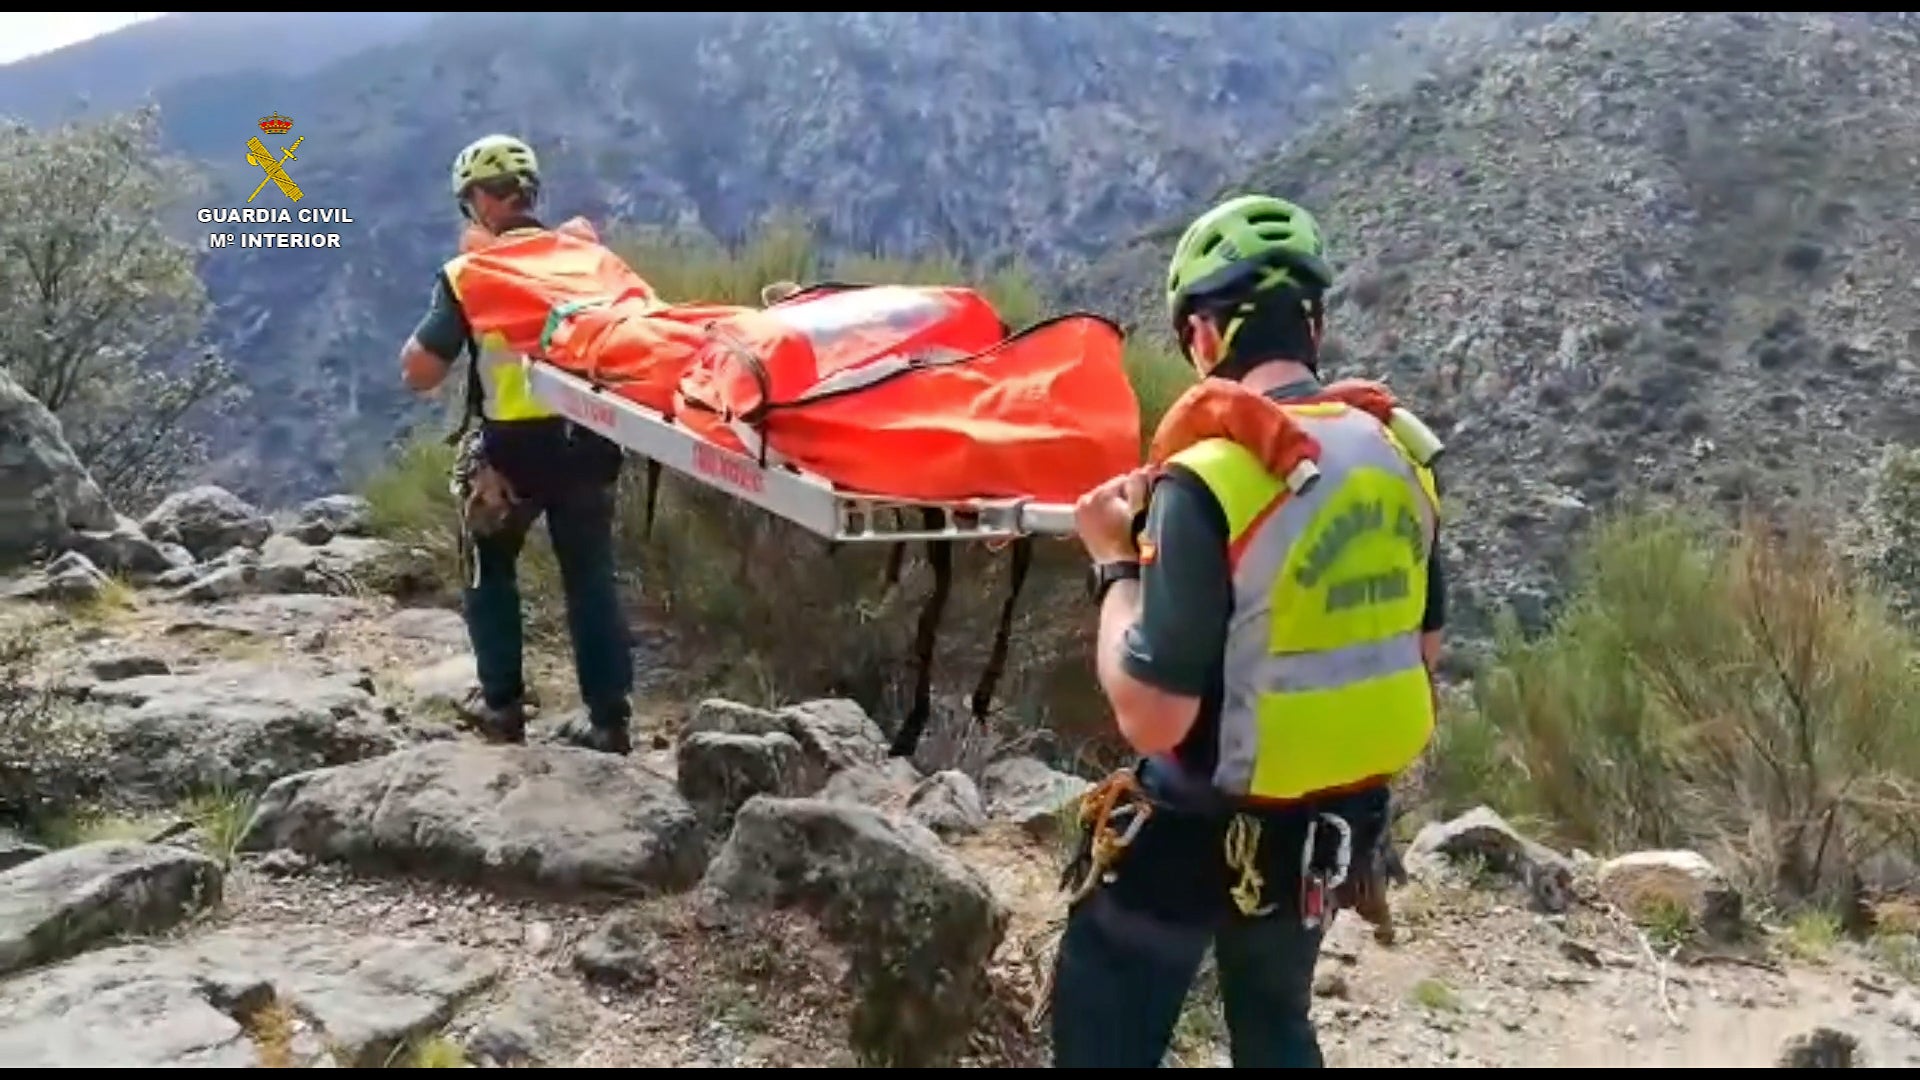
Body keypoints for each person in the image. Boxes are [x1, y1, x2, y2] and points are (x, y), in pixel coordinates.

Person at [1051, 194, 1447, 1067]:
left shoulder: (1208, 481)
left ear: (1201, 336)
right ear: (1313, 323)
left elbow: (1152, 717)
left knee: (1102, 1007)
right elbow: (1421, 652)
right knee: (1273, 1023)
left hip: (1202, 823)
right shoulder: (1399, 459)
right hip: (1332, 826)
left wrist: (1115, 564)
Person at [397, 133, 635, 755]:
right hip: (591, 438)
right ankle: (609, 722)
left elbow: (420, 373)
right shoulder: (590, 260)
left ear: (479, 200)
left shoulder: (470, 273)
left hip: (510, 454)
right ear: (531, 196)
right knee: (590, 578)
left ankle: (502, 708)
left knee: (489, 567)